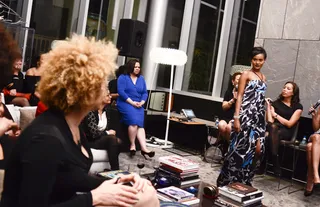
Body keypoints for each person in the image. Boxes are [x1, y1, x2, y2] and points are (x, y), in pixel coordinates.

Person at [0, 35, 159, 207]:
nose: (107, 89)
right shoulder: (46, 139)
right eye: (102, 84)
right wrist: (94, 197)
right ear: (85, 89)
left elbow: (71, 178)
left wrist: (119, 182)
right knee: (146, 200)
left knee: (144, 193)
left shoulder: (71, 126)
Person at [217, 47, 268, 187]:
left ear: (264, 61)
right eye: (255, 60)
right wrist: (237, 117)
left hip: (259, 117)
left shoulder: (263, 77)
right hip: (245, 115)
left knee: (258, 150)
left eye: (260, 60)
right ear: (251, 60)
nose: (257, 63)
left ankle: (246, 179)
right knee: (239, 149)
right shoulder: (246, 74)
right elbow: (239, 96)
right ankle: (228, 180)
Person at [117, 59, 155, 159]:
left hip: (138, 104)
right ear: (130, 67)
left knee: (140, 125)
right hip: (126, 103)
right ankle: (132, 145)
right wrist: (132, 102)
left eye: (139, 67)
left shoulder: (141, 78)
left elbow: (144, 93)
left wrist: (142, 102)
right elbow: (121, 92)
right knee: (133, 121)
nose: (138, 69)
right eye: (135, 67)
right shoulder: (123, 77)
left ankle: (144, 148)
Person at [265, 82, 302, 175]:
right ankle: (275, 158)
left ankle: (268, 160)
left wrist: (276, 115)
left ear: (293, 93)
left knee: (270, 133)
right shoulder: (275, 103)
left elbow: (290, 124)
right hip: (274, 128)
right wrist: (268, 107)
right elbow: (270, 121)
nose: (285, 90)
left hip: (287, 131)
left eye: (288, 88)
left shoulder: (297, 106)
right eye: (284, 87)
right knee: (273, 127)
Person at [82, 92, 121, 170]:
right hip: (91, 141)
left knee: (118, 141)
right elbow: (93, 133)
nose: (110, 97)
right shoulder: (91, 111)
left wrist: (109, 133)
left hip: (101, 138)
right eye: (107, 95)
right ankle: (115, 170)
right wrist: (107, 133)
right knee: (112, 139)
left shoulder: (107, 111)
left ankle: (111, 171)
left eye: (110, 95)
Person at [218, 72, 242, 142]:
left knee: (229, 128)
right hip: (227, 117)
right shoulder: (228, 92)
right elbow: (224, 107)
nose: (239, 81)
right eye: (238, 79)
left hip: (237, 119)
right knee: (221, 125)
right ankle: (227, 143)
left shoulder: (244, 93)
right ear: (233, 81)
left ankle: (229, 147)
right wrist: (232, 100)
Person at [305, 105, 320, 196]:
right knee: (316, 137)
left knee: (310, 146)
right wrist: (314, 116)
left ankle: (311, 178)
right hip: (318, 137)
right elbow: (316, 128)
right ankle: (316, 175)